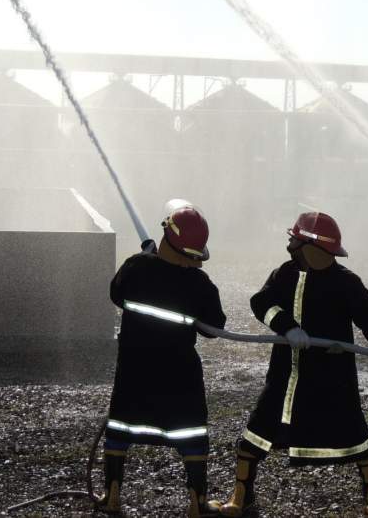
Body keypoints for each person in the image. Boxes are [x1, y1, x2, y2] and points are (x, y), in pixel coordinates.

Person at [215, 212, 368, 518]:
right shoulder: (284, 273)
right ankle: (241, 496)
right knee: (259, 429)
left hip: (331, 375)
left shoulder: (346, 283)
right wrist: (285, 326)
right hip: (287, 374)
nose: (290, 244)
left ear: (310, 245)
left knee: (352, 431)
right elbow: (261, 303)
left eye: (294, 239)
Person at [99, 201, 226, 517]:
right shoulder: (199, 284)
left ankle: (112, 492)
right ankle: (197, 501)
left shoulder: (136, 267)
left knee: (121, 426)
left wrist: (147, 256)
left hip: (134, 369)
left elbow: (116, 293)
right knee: (191, 432)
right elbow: (215, 327)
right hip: (179, 374)